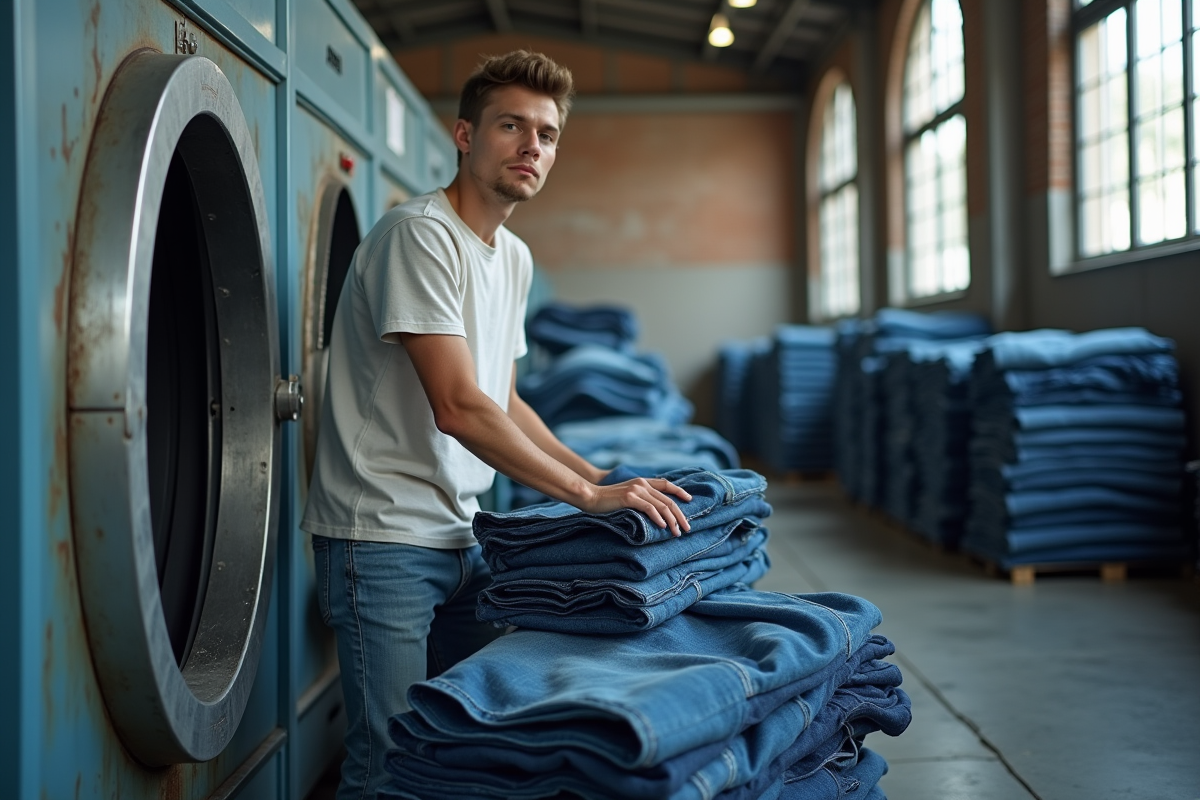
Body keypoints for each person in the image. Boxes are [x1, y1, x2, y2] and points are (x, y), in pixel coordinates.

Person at [300, 50, 693, 799]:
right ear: (464, 136)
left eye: (546, 134)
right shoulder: (420, 236)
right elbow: (459, 406)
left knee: (467, 744)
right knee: (390, 760)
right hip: (381, 538)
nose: (531, 147)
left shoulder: (510, 255)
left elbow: (505, 400)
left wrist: (600, 476)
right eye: (512, 125)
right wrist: (586, 497)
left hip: (462, 534)